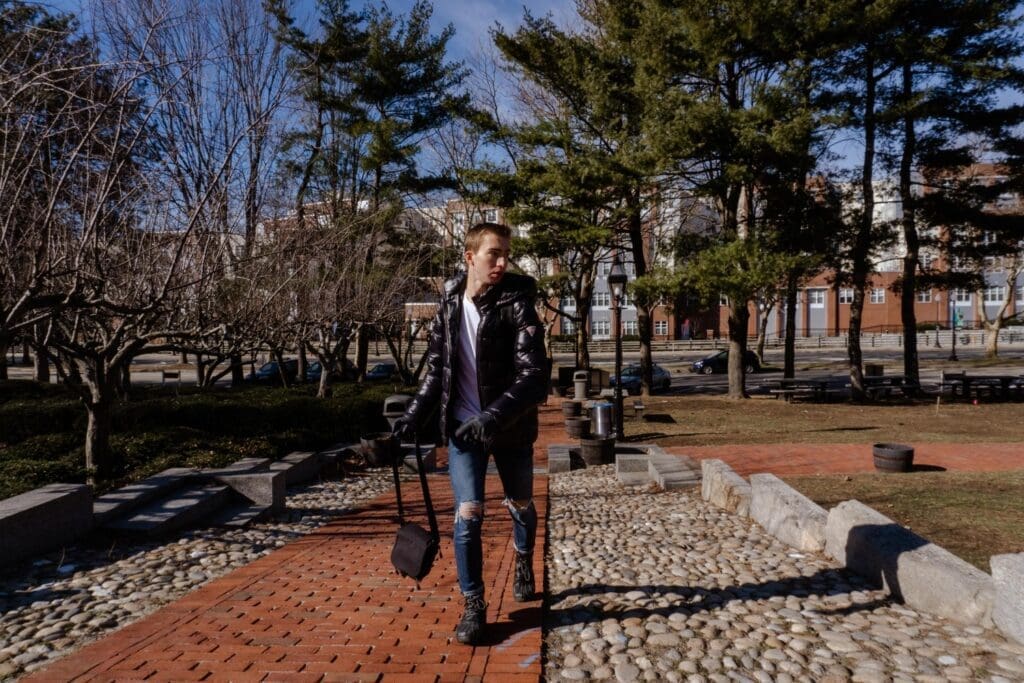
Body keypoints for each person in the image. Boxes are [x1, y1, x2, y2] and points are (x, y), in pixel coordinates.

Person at [392, 222, 547, 645]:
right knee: (468, 513)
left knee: (519, 504)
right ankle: (474, 605)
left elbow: (535, 377)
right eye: (492, 254)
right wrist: (411, 415)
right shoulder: (448, 306)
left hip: (509, 429)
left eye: (505, 255)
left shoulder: (519, 303)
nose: (501, 262)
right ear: (469, 257)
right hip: (463, 428)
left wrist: (493, 418)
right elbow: (437, 370)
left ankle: (522, 557)